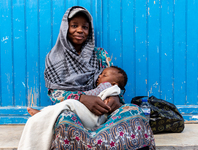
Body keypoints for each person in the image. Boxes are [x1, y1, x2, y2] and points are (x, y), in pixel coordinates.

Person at [21, 6, 155, 150]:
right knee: (64, 119)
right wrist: (82, 98)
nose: (80, 30)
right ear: (65, 28)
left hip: (103, 112)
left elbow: (115, 82)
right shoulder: (54, 58)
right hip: (74, 113)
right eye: (74, 26)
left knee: (134, 111)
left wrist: (116, 98)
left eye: (85, 27)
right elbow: (55, 93)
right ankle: (48, 117)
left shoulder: (101, 55)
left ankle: (98, 141)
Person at [27, 66, 128, 130]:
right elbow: (55, 92)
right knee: (68, 107)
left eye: (104, 75)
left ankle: (43, 114)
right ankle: (44, 114)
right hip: (94, 114)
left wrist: (81, 95)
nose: (99, 76)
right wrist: (81, 98)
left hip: (96, 115)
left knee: (70, 104)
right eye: (100, 74)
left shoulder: (106, 85)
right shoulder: (56, 59)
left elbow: (93, 93)